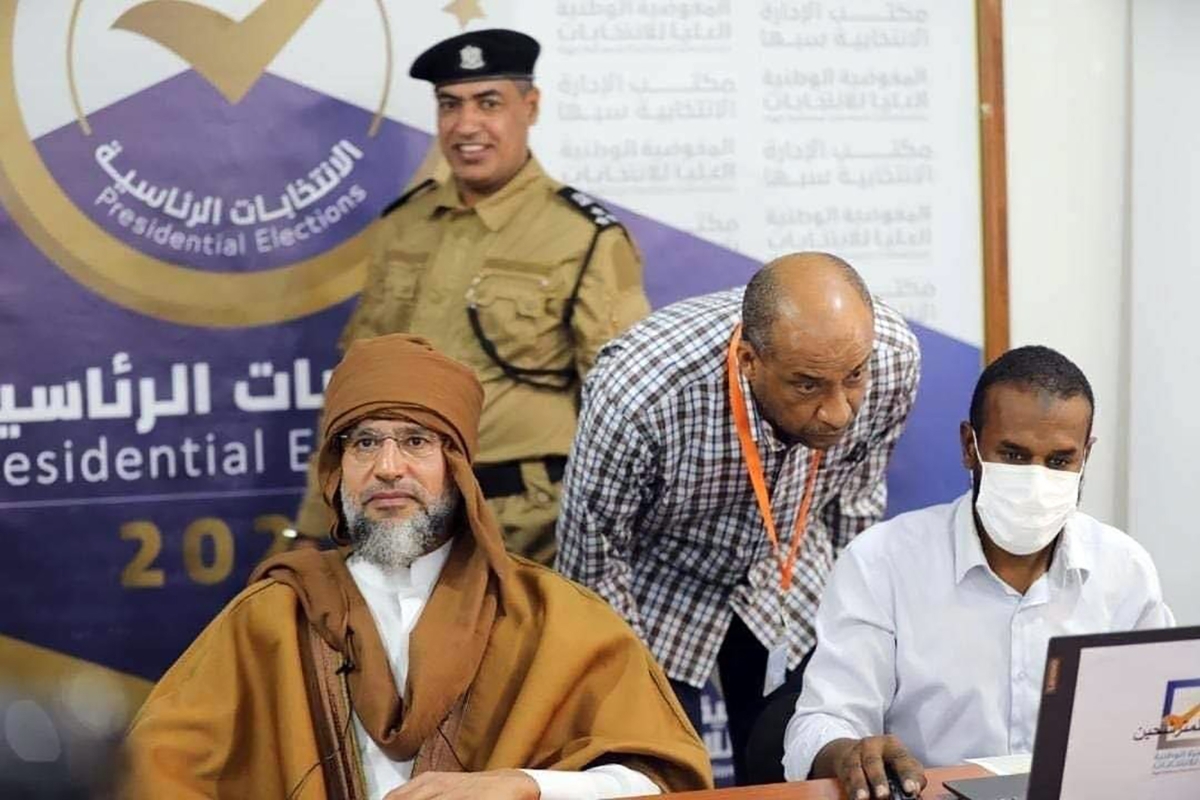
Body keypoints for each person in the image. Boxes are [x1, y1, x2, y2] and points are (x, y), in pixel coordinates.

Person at [121, 334, 712, 799]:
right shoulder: (271, 618)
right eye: (364, 443)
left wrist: (524, 785)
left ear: (457, 466)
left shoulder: (553, 618)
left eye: (415, 442)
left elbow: (659, 779)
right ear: (336, 470)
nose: (387, 467)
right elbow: (155, 769)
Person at [556, 252, 922, 785]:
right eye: (807, 385)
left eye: (853, 378)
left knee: (794, 763)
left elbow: (856, 499)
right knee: (656, 769)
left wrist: (850, 626)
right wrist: (627, 689)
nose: (840, 411)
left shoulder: (892, 357)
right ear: (750, 361)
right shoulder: (639, 394)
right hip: (656, 583)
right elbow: (593, 560)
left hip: (790, 574)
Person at [292, 29, 650, 565]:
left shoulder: (586, 237)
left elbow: (626, 413)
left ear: (530, 107)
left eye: (489, 103)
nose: (466, 126)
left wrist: (612, 542)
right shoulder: (403, 227)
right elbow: (359, 388)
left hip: (527, 525)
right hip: (402, 512)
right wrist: (316, 526)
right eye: (449, 105)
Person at [781, 345, 1174, 799]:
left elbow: (1157, 727)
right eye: (1013, 455)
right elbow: (821, 721)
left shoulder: (1124, 569)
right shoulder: (882, 562)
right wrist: (849, 751)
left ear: (1086, 454)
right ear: (970, 446)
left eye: (1060, 461)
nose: (1037, 479)